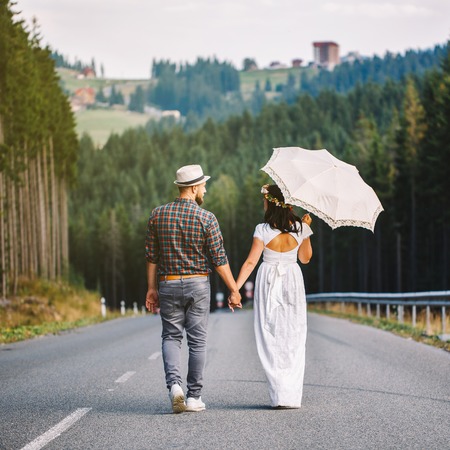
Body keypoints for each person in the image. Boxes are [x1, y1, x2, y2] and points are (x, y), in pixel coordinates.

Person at [145, 164, 242, 414]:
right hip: (198, 284)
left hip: (167, 281)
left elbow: (151, 256)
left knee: (171, 336)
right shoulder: (207, 218)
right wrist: (234, 289)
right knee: (197, 342)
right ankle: (193, 397)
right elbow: (219, 260)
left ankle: (174, 386)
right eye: (204, 186)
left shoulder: (158, 215)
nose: (205, 190)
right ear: (194, 187)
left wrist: (150, 288)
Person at [234, 184, 313, 409]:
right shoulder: (300, 228)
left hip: (268, 279)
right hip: (293, 280)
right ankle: (291, 397)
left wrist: (236, 289)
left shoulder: (262, 229)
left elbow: (251, 262)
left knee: (269, 334)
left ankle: (279, 394)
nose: (263, 203)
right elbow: (305, 259)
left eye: (265, 200)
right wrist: (306, 231)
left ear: (271, 203)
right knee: (295, 334)